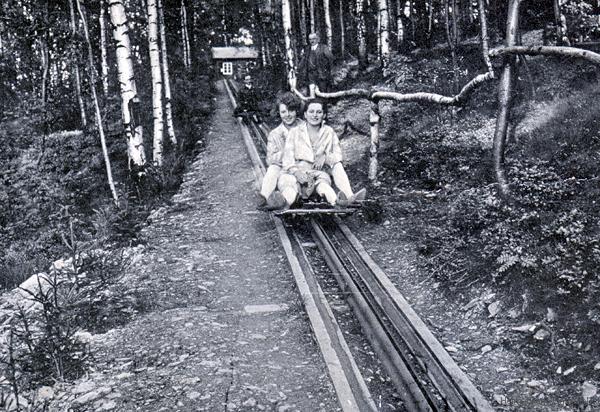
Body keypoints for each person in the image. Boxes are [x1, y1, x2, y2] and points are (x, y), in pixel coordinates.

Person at [277, 98, 366, 208]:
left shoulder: (329, 132)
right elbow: (287, 158)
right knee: (290, 188)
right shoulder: (294, 132)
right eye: (311, 112)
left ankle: (345, 199)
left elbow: (338, 155)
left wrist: (325, 156)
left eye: (319, 112)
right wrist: (296, 172)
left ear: (324, 115)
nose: (315, 115)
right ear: (305, 114)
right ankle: (283, 203)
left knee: (326, 183)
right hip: (296, 173)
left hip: (318, 174)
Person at [257, 93, 303, 210]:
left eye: (291, 110)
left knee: (289, 180)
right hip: (283, 169)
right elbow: (270, 159)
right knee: (274, 169)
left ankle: (286, 202)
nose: (287, 115)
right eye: (283, 112)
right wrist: (286, 151)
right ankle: (265, 197)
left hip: (302, 167)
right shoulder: (275, 134)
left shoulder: (306, 128)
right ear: (279, 113)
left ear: (296, 110)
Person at [297, 33, 334, 97]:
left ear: (318, 39)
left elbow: (330, 58)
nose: (312, 41)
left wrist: (329, 69)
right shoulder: (307, 49)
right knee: (311, 91)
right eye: (310, 39)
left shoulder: (323, 47)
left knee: (322, 90)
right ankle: (313, 104)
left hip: (321, 73)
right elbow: (303, 60)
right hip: (310, 74)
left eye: (314, 39)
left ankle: (324, 105)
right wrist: (297, 68)